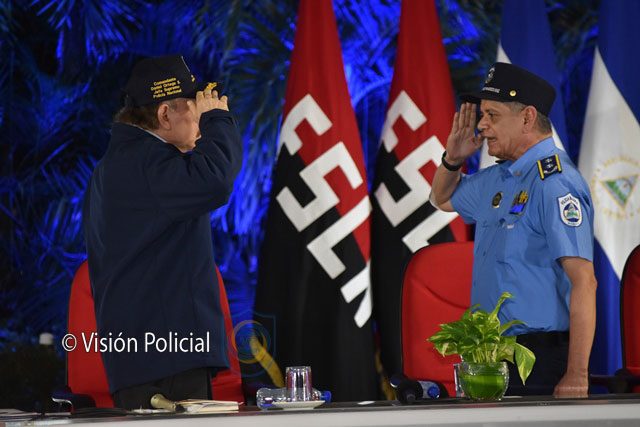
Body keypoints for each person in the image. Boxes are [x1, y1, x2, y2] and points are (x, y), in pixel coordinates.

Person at [83, 55, 243, 409]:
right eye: (195, 112)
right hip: (168, 359)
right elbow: (215, 181)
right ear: (165, 115)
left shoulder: (119, 163)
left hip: (153, 357)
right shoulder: (146, 161)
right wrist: (218, 120)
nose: (200, 124)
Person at [430, 62, 597, 398]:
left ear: (527, 118)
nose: (482, 125)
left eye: (492, 115)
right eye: (482, 115)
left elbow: (584, 281)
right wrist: (453, 160)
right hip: (489, 352)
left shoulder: (555, 184)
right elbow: (441, 199)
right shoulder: (500, 178)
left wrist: (577, 373)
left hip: (537, 356)